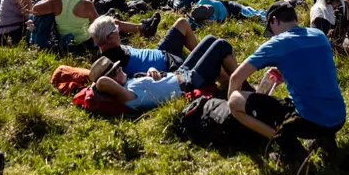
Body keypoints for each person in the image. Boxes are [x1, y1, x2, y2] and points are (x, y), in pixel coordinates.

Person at [227, 1, 347, 165]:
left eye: (271, 30)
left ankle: (288, 145)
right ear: (295, 18)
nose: (274, 35)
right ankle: (325, 138)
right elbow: (314, 70)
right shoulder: (319, 36)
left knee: (235, 101)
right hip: (338, 117)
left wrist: (234, 112)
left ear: (274, 20)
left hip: (309, 122)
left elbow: (236, 78)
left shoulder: (277, 43)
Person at [90, 33, 240, 111]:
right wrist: (96, 84)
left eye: (118, 66)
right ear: (112, 81)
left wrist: (151, 70)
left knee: (210, 39)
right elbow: (102, 83)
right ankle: (243, 88)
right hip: (189, 83)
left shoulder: (129, 82)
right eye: (116, 70)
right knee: (221, 45)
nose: (120, 68)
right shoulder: (127, 96)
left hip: (180, 72)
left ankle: (230, 83)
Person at [89, 14, 199, 75]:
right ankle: (200, 56)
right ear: (110, 38)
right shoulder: (114, 64)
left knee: (182, 23)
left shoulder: (106, 46)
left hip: (159, 52)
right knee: (204, 59)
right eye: (115, 29)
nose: (118, 30)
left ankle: (145, 28)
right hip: (169, 64)